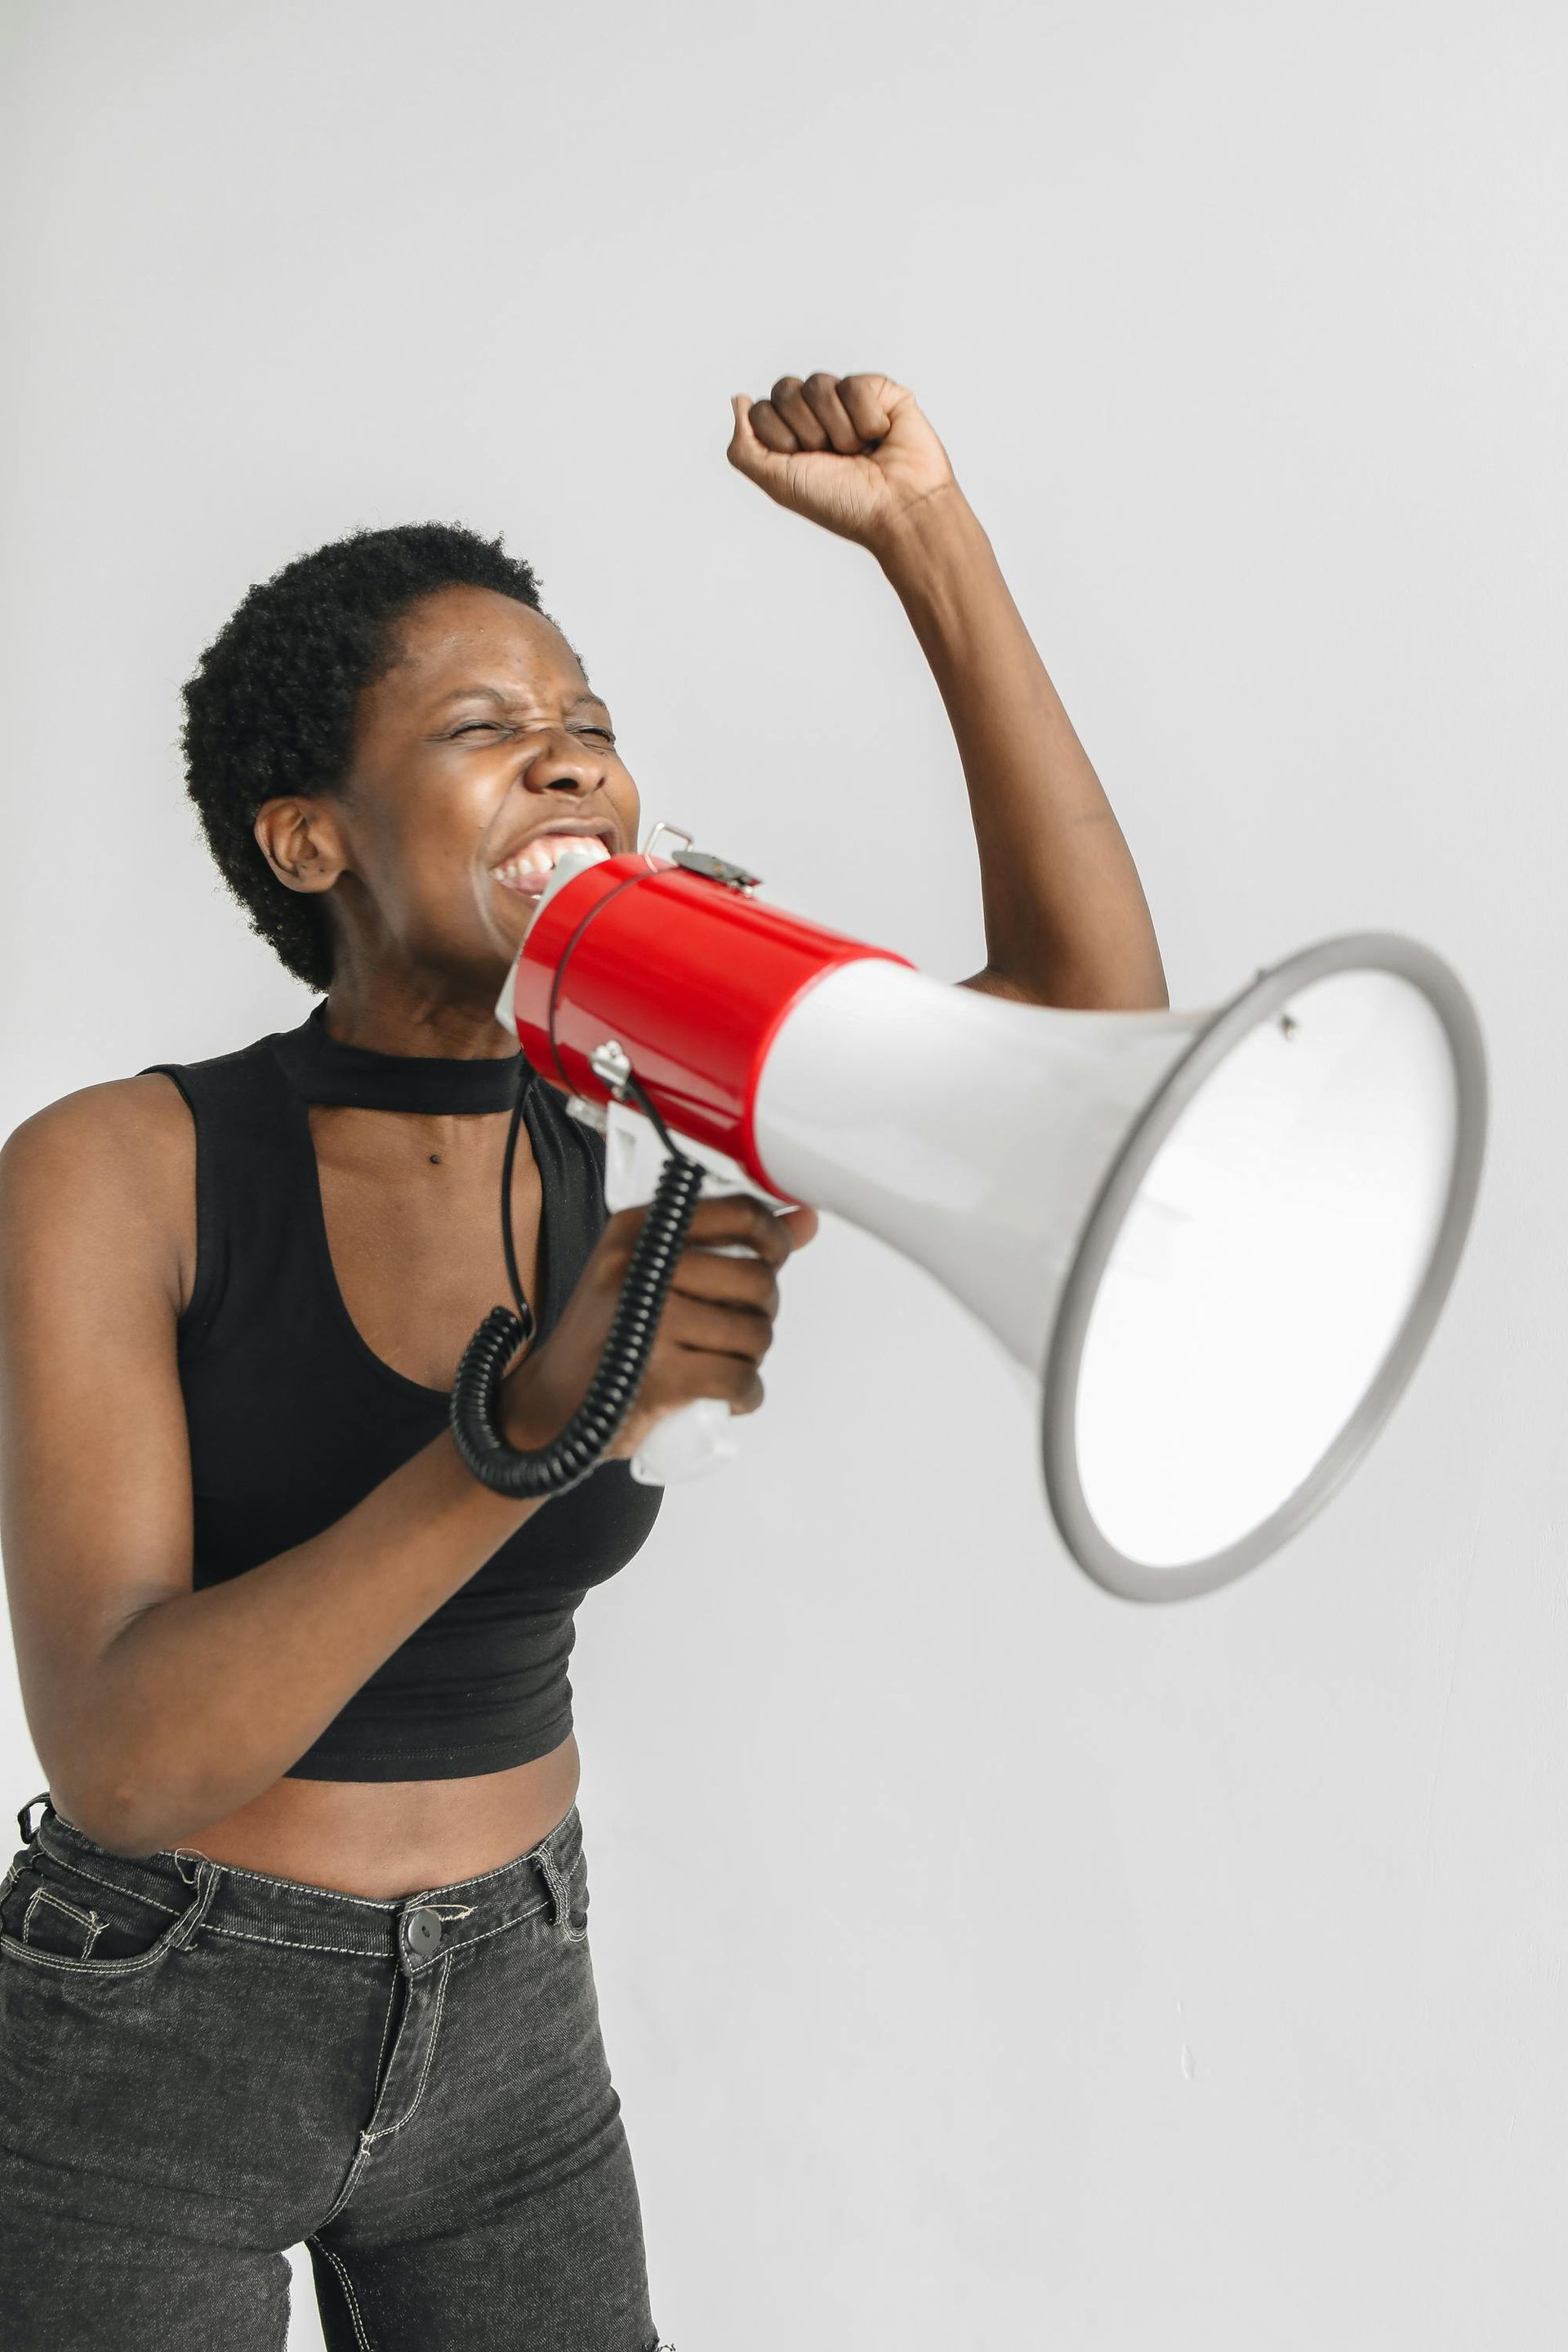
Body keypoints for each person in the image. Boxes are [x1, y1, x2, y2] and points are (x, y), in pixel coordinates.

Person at [0, 372, 1167, 2350]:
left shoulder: (653, 1104)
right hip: (152, 2022)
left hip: (519, 2010)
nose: (568, 767)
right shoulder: (121, 1169)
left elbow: (1082, 1030)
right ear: (309, 840)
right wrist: (526, 1427)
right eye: (485, 733)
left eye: (591, 734)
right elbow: (124, 1758)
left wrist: (929, 539)